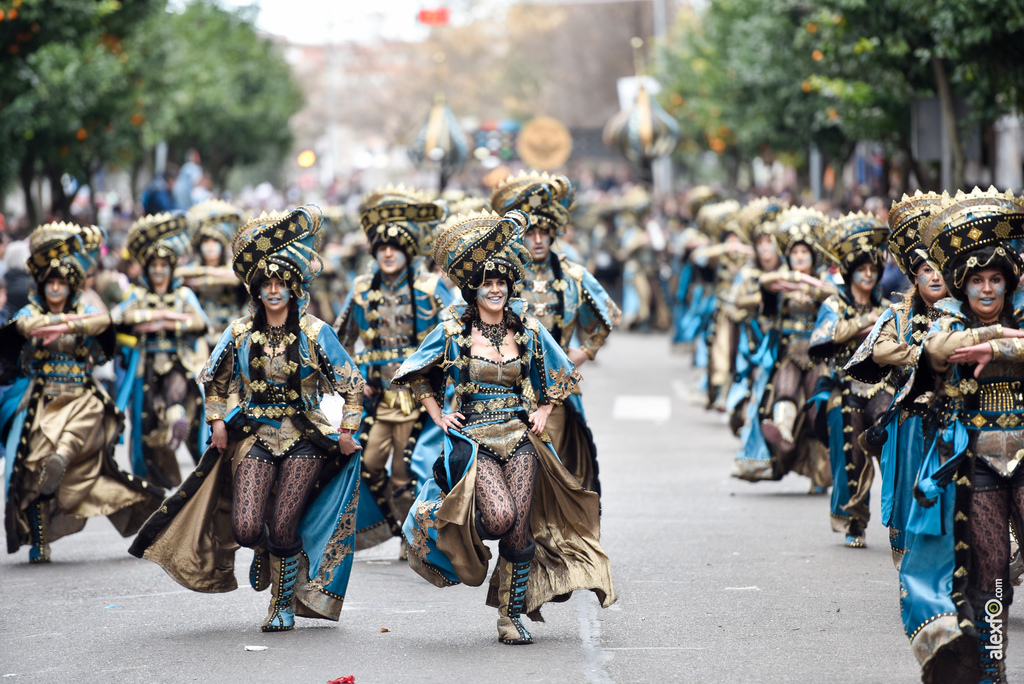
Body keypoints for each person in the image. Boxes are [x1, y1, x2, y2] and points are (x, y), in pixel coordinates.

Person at [129, 205, 366, 633]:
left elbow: (352, 385)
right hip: (254, 433)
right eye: (266, 283)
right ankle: (267, 553)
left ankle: (281, 606)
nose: (273, 291)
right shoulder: (238, 332)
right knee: (244, 527)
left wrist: (347, 431)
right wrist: (217, 423)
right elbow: (213, 381)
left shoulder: (316, 332)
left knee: (282, 525)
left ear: (293, 287)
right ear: (256, 289)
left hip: (305, 435)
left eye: (280, 283)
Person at [393, 209, 615, 645]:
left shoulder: (528, 328)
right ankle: (441, 514)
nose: (495, 290)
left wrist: (545, 410)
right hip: (474, 437)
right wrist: (439, 413)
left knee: (518, 531)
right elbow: (414, 372)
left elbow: (561, 371)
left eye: (501, 284)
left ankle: (510, 617)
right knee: (497, 518)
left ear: (509, 288)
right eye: (487, 283)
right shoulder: (453, 330)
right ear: (473, 288)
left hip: (518, 435)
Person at [843, 191, 976, 680]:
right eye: (924, 271)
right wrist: (926, 354)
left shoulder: (965, 314)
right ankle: (915, 590)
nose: (934, 278)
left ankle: (955, 588)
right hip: (906, 424)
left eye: (940, 269)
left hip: (953, 427)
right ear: (913, 277)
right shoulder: (896, 313)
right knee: (902, 506)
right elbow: (879, 351)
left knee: (953, 508)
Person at [911, 187, 1024, 683]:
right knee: (992, 569)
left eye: (995, 279)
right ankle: (992, 667)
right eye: (976, 280)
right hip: (975, 460)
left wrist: (1004, 349)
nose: (985, 289)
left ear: (1008, 284)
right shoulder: (947, 320)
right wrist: (996, 340)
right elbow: (938, 351)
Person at [0, 222, 161, 563]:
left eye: (62, 283)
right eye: (50, 283)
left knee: (81, 429)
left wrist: (64, 325)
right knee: (34, 467)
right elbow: (21, 327)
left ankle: (64, 456)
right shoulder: (30, 310)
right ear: (42, 286)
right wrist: (44, 324)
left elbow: (104, 322)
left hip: (81, 395)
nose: (56, 289)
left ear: (71, 285)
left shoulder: (86, 308)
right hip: (41, 399)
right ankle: (39, 542)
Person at [334, 185, 453, 555]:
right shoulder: (361, 289)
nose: (387, 253)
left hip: (420, 398)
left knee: (407, 470)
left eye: (395, 247)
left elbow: (456, 336)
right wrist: (354, 378)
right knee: (368, 463)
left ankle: (412, 538)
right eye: (381, 248)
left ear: (407, 251)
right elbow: (339, 341)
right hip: (378, 397)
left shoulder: (431, 289)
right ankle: (391, 524)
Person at [490, 171, 621, 494]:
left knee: (557, 468)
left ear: (553, 235)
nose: (537, 239)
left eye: (543, 232)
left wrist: (585, 352)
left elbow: (607, 316)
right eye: (530, 232)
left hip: (557, 389)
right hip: (509, 387)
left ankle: (555, 540)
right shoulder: (501, 278)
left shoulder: (575, 276)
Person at [808, 212, 892, 548]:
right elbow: (822, 339)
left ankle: (900, 513)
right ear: (849, 272)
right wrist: (863, 324)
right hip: (843, 386)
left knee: (892, 433)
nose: (868, 275)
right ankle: (854, 520)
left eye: (873, 269)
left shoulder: (887, 306)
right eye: (862, 269)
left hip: (881, 386)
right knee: (850, 445)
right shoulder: (834, 304)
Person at [111, 213, 209, 488]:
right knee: (145, 421)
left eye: (163, 266)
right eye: (153, 266)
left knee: (178, 391)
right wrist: (157, 318)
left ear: (171, 268)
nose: (158, 271)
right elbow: (119, 317)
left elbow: (202, 322)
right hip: (145, 364)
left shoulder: (184, 295)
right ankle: (154, 482)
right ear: (146, 269)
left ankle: (177, 419)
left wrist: (164, 320)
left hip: (178, 360)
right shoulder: (138, 295)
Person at [753, 208, 836, 489]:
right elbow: (762, 282)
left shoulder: (825, 281)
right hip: (789, 352)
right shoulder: (780, 281)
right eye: (795, 254)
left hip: (817, 356)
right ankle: (784, 432)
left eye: (805, 254)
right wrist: (792, 280)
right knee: (785, 391)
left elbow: (836, 293)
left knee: (816, 411)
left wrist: (808, 283)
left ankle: (821, 474)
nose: (799, 258)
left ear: (814, 258)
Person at [179, 199, 247, 350]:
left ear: (222, 245)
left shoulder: (233, 268)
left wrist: (205, 276)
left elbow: (239, 279)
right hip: (199, 335)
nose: (210, 247)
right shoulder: (191, 269)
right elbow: (178, 276)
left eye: (214, 241)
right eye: (206, 242)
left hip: (231, 332)